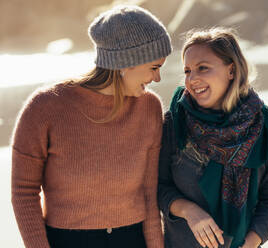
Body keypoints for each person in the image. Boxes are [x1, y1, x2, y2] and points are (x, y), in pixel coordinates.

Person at [11, 5, 172, 248]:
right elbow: (24, 192)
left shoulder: (149, 108)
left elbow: (149, 194)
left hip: (132, 239)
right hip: (67, 241)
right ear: (126, 63)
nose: (157, 79)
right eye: (154, 67)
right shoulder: (45, 107)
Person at [158, 27, 268, 248]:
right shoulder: (175, 123)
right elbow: (159, 187)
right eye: (188, 71)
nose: (192, 79)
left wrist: (249, 244)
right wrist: (189, 211)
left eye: (203, 68)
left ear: (231, 70)